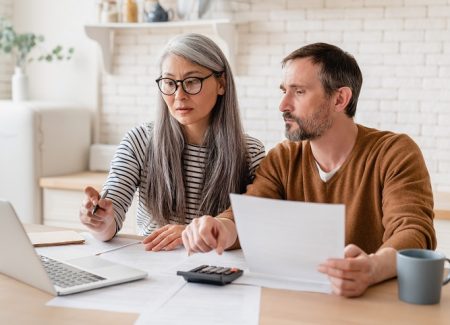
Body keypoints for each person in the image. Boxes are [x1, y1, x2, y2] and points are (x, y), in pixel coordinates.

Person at [181, 42, 436, 297]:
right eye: (284, 91)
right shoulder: (283, 157)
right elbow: (250, 215)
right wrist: (219, 228)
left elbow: (414, 232)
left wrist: (372, 268)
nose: (283, 105)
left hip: (373, 303)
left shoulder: (394, 152)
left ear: (340, 99)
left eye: (299, 92)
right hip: (302, 301)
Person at [79, 33, 265, 251]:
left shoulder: (250, 152)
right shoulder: (139, 141)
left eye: (192, 81)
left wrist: (191, 234)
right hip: (155, 267)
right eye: (169, 83)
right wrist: (99, 220)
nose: (179, 95)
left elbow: (255, 227)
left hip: (218, 270)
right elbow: (110, 220)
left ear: (221, 83)